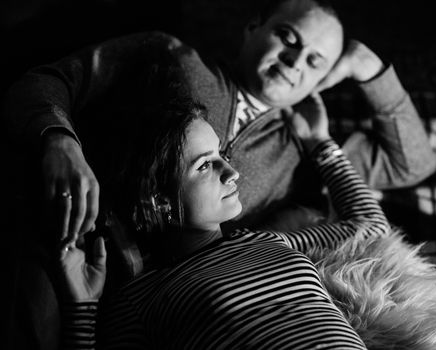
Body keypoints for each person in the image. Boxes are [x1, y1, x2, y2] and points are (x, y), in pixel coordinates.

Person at [4, 0, 436, 247]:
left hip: (171, 296)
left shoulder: (305, 146)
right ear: (253, 29)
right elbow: (45, 81)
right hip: (61, 227)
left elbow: (413, 164)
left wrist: (372, 69)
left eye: (314, 61)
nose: (293, 61)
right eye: (288, 37)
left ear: (322, 78)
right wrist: (58, 140)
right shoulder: (169, 54)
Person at [58, 82, 389, 349]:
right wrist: (82, 309)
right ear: (153, 199)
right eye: (204, 165)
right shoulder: (140, 299)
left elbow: (371, 230)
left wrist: (319, 142)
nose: (232, 173)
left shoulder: (268, 241)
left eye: (220, 155)